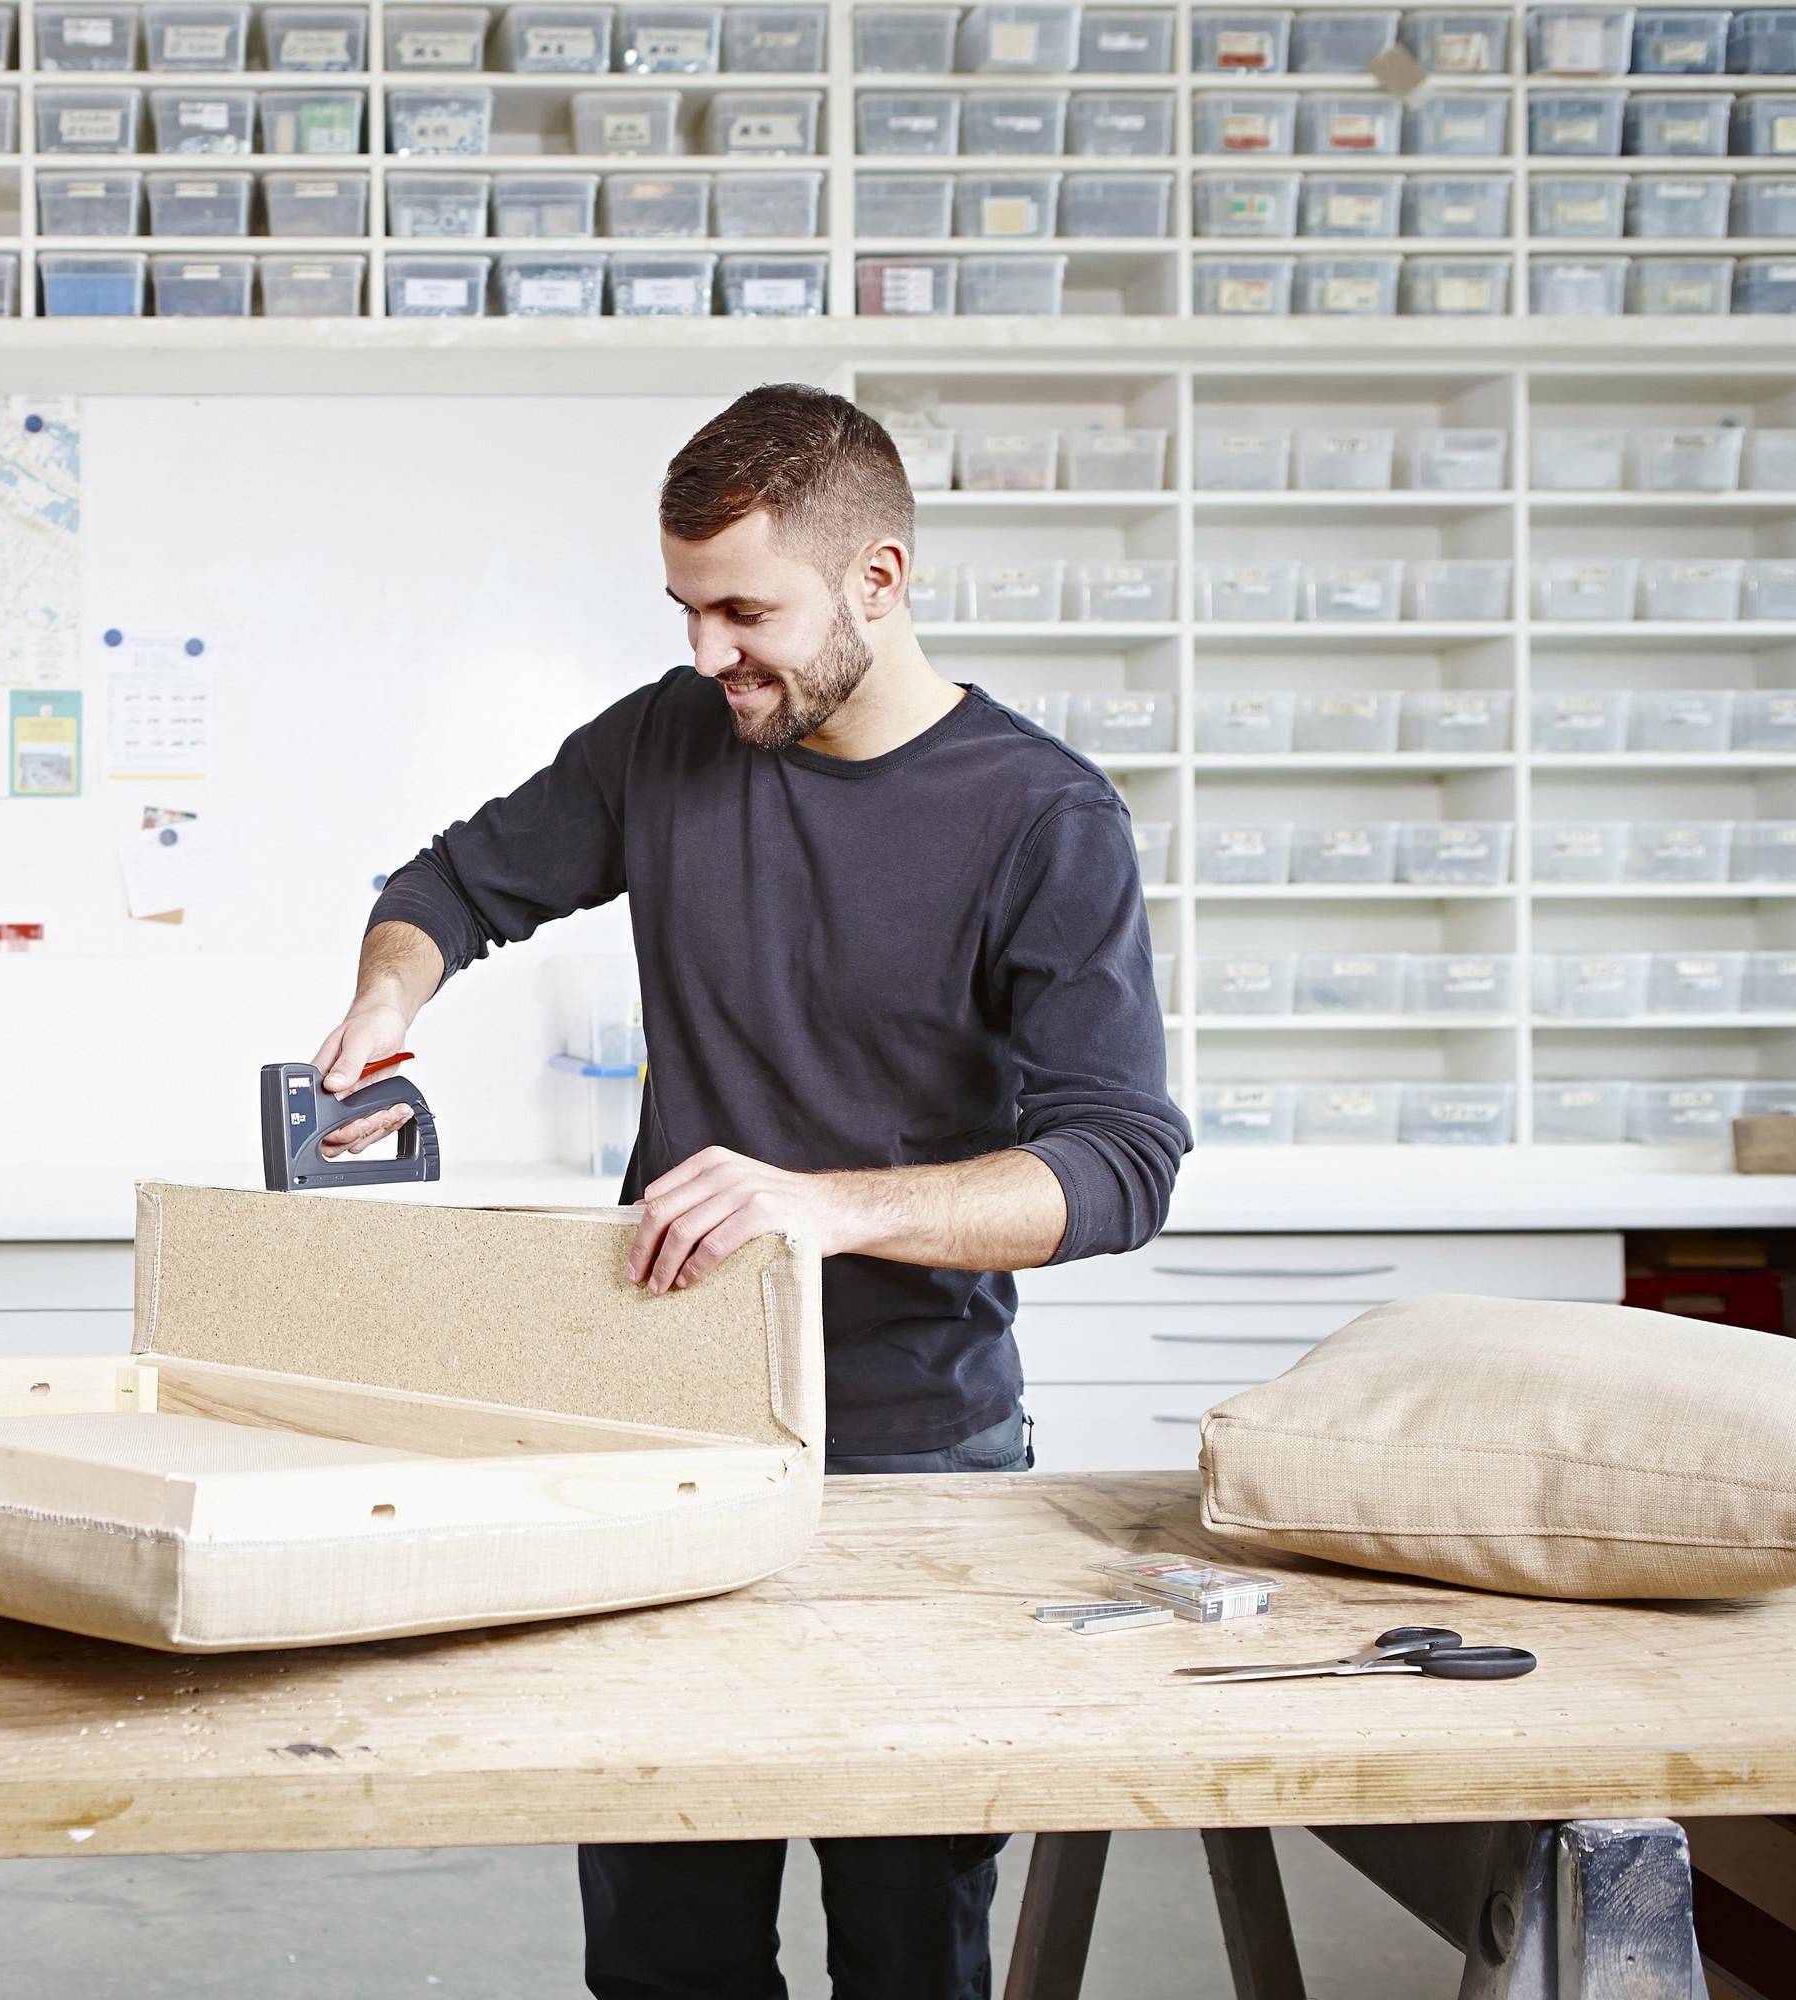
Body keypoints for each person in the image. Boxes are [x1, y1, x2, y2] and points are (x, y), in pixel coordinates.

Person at [310, 384, 1191, 2000]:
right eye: (686, 609)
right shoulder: (670, 740)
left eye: (745, 610)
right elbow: (444, 886)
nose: (711, 653)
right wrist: (392, 997)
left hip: (917, 1453)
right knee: (665, 1948)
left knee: (906, 1942)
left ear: (879, 579)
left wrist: (830, 1207)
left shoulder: (1043, 820)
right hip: (668, 1436)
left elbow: (1122, 1166)